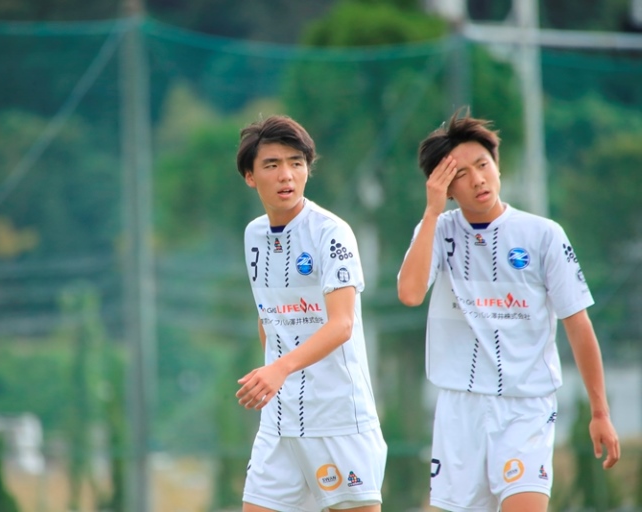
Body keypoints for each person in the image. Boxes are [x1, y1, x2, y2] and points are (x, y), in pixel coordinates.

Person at [397, 107, 621, 512]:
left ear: (497, 167)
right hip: (459, 408)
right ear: (445, 187)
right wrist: (431, 212)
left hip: (525, 406)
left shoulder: (543, 235)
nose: (478, 179)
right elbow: (410, 293)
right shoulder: (438, 231)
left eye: (483, 165)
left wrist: (599, 412)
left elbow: (578, 323)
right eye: (460, 174)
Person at [234, 114, 387, 512]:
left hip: (337, 418)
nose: (286, 175)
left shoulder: (331, 233)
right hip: (279, 421)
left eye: (296, 163)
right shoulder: (253, 235)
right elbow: (268, 317)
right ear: (250, 176)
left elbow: (342, 324)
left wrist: (279, 368)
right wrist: (272, 373)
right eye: (272, 165)